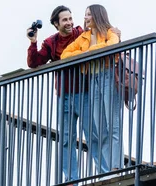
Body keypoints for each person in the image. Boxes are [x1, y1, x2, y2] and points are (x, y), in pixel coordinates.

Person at [27, 5, 120, 184]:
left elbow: (100, 37)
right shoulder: (51, 42)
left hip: (84, 92)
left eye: (70, 18)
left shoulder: (80, 33)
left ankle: (105, 173)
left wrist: (115, 33)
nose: (70, 22)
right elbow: (34, 62)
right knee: (66, 139)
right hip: (64, 95)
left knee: (93, 135)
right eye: (65, 20)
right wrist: (33, 42)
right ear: (56, 24)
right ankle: (71, 179)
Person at [60, 4, 122, 178]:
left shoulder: (109, 31)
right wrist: (87, 52)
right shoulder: (84, 37)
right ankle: (107, 170)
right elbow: (65, 55)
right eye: (85, 15)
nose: (85, 18)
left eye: (88, 15)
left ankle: (116, 167)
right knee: (100, 128)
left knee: (113, 125)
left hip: (108, 76)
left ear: (96, 16)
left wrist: (86, 52)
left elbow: (112, 44)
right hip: (93, 80)